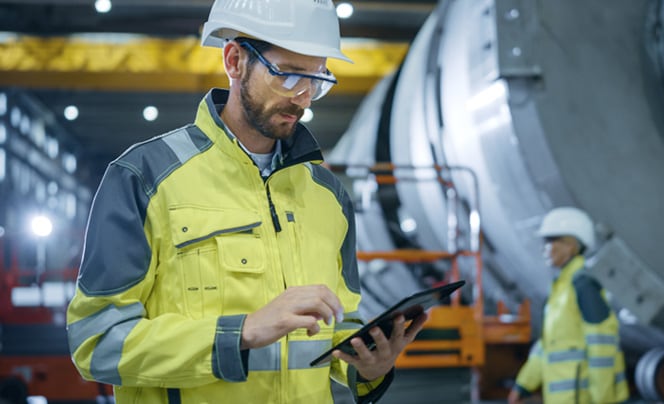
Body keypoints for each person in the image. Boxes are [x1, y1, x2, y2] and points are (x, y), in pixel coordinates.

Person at [65, 1, 427, 402]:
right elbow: (96, 342)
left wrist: (368, 367)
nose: (303, 98)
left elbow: (340, 326)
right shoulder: (146, 177)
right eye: (289, 75)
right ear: (235, 61)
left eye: (317, 79)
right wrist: (241, 333)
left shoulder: (328, 196)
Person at [508, 207, 629, 404]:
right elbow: (548, 346)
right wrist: (523, 385)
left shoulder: (583, 285)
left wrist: (604, 400)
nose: (545, 248)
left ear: (571, 245)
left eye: (551, 241)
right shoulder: (561, 287)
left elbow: (602, 346)